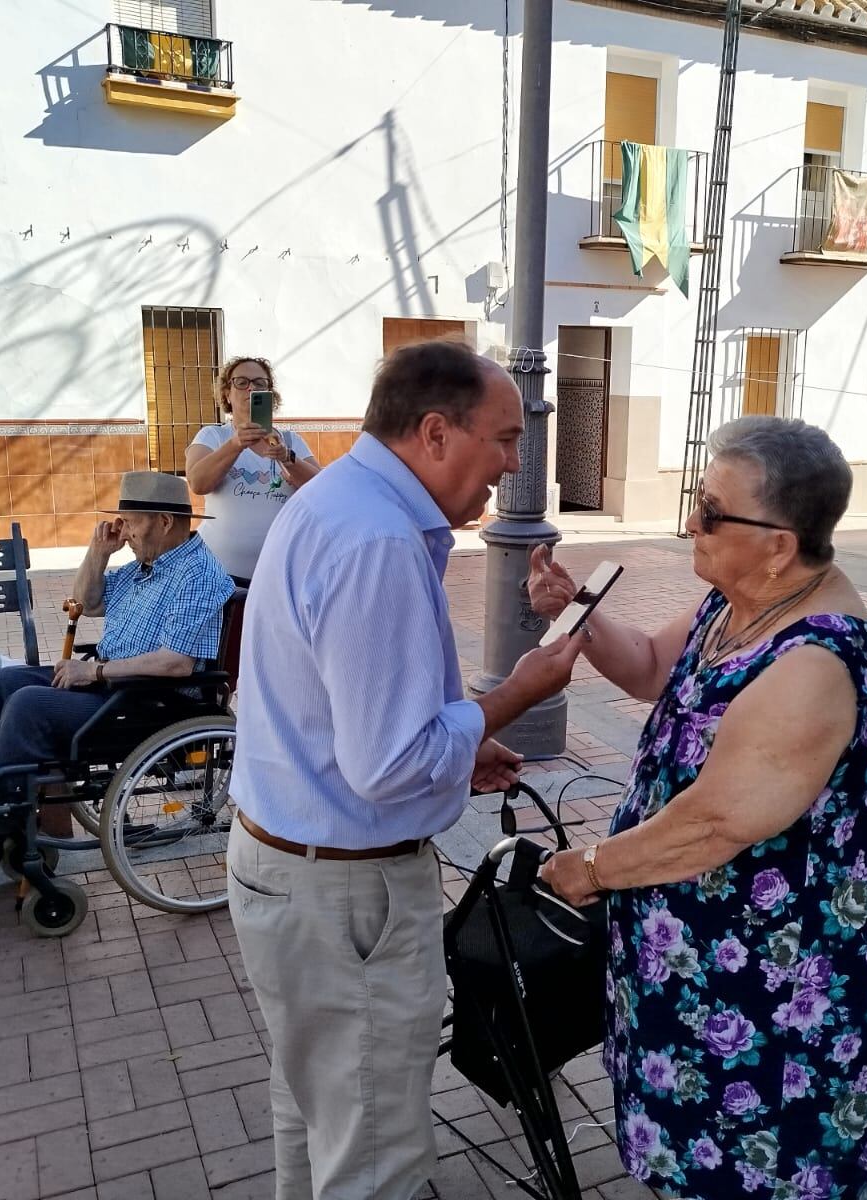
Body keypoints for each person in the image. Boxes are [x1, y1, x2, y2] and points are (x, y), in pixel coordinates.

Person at [227, 339, 585, 1199]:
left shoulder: (340, 505)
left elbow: (348, 712)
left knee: (317, 1113)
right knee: (375, 1154)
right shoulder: (376, 539)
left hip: (292, 870)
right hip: (345, 896)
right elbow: (388, 763)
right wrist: (514, 693)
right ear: (433, 432)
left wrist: (457, 746)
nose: (512, 464)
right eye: (502, 438)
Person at [536, 416, 867, 1199]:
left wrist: (595, 868)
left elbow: (716, 823)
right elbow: (646, 666)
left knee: (761, 1169)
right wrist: (577, 606)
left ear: (779, 543)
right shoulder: (739, 603)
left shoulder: (813, 660)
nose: (690, 522)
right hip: (705, 961)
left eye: (710, 510)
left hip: (777, 991)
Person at [0, 472, 233, 879]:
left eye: (131, 521)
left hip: (151, 700)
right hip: (115, 685)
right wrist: (98, 553)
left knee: (30, 705)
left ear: (163, 522)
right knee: (4, 683)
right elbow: (87, 602)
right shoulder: (146, 564)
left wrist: (96, 670)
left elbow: (177, 663)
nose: (124, 531)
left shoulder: (198, 575)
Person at [187, 355, 321, 583]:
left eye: (260, 383)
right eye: (241, 382)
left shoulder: (291, 441)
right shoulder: (213, 436)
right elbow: (198, 483)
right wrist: (235, 444)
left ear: (270, 394)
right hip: (219, 576)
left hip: (279, 576)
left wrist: (288, 458)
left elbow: (321, 490)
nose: (251, 389)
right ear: (227, 393)